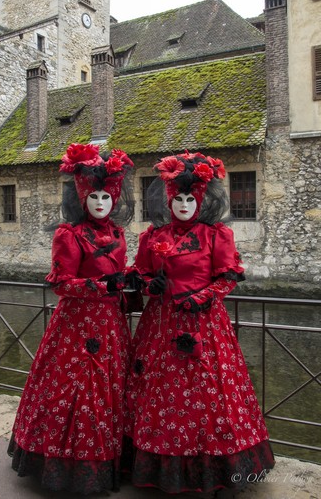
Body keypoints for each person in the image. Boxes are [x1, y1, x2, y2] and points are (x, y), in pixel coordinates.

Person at [124, 151, 275, 494]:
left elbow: (227, 278)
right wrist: (151, 285)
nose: (183, 206)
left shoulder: (215, 235)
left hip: (203, 325)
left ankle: (212, 469)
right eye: (177, 199)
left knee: (210, 391)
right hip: (161, 326)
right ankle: (160, 467)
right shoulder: (152, 237)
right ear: (168, 200)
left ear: (201, 200)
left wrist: (204, 296)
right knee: (159, 394)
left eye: (190, 200)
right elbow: (142, 273)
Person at [8, 142, 135, 494]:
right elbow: (62, 283)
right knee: (76, 390)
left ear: (114, 199)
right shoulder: (69, 234)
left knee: (108, 392)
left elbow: (119, 273)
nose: (99, 203)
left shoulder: (118, 233)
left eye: (106, 198)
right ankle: (69, 465)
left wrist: (131, 280)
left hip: (111, 325)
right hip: (76, 326)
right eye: (93, 197)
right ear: (81, 198)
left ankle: (110, 457)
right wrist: (100, 286)